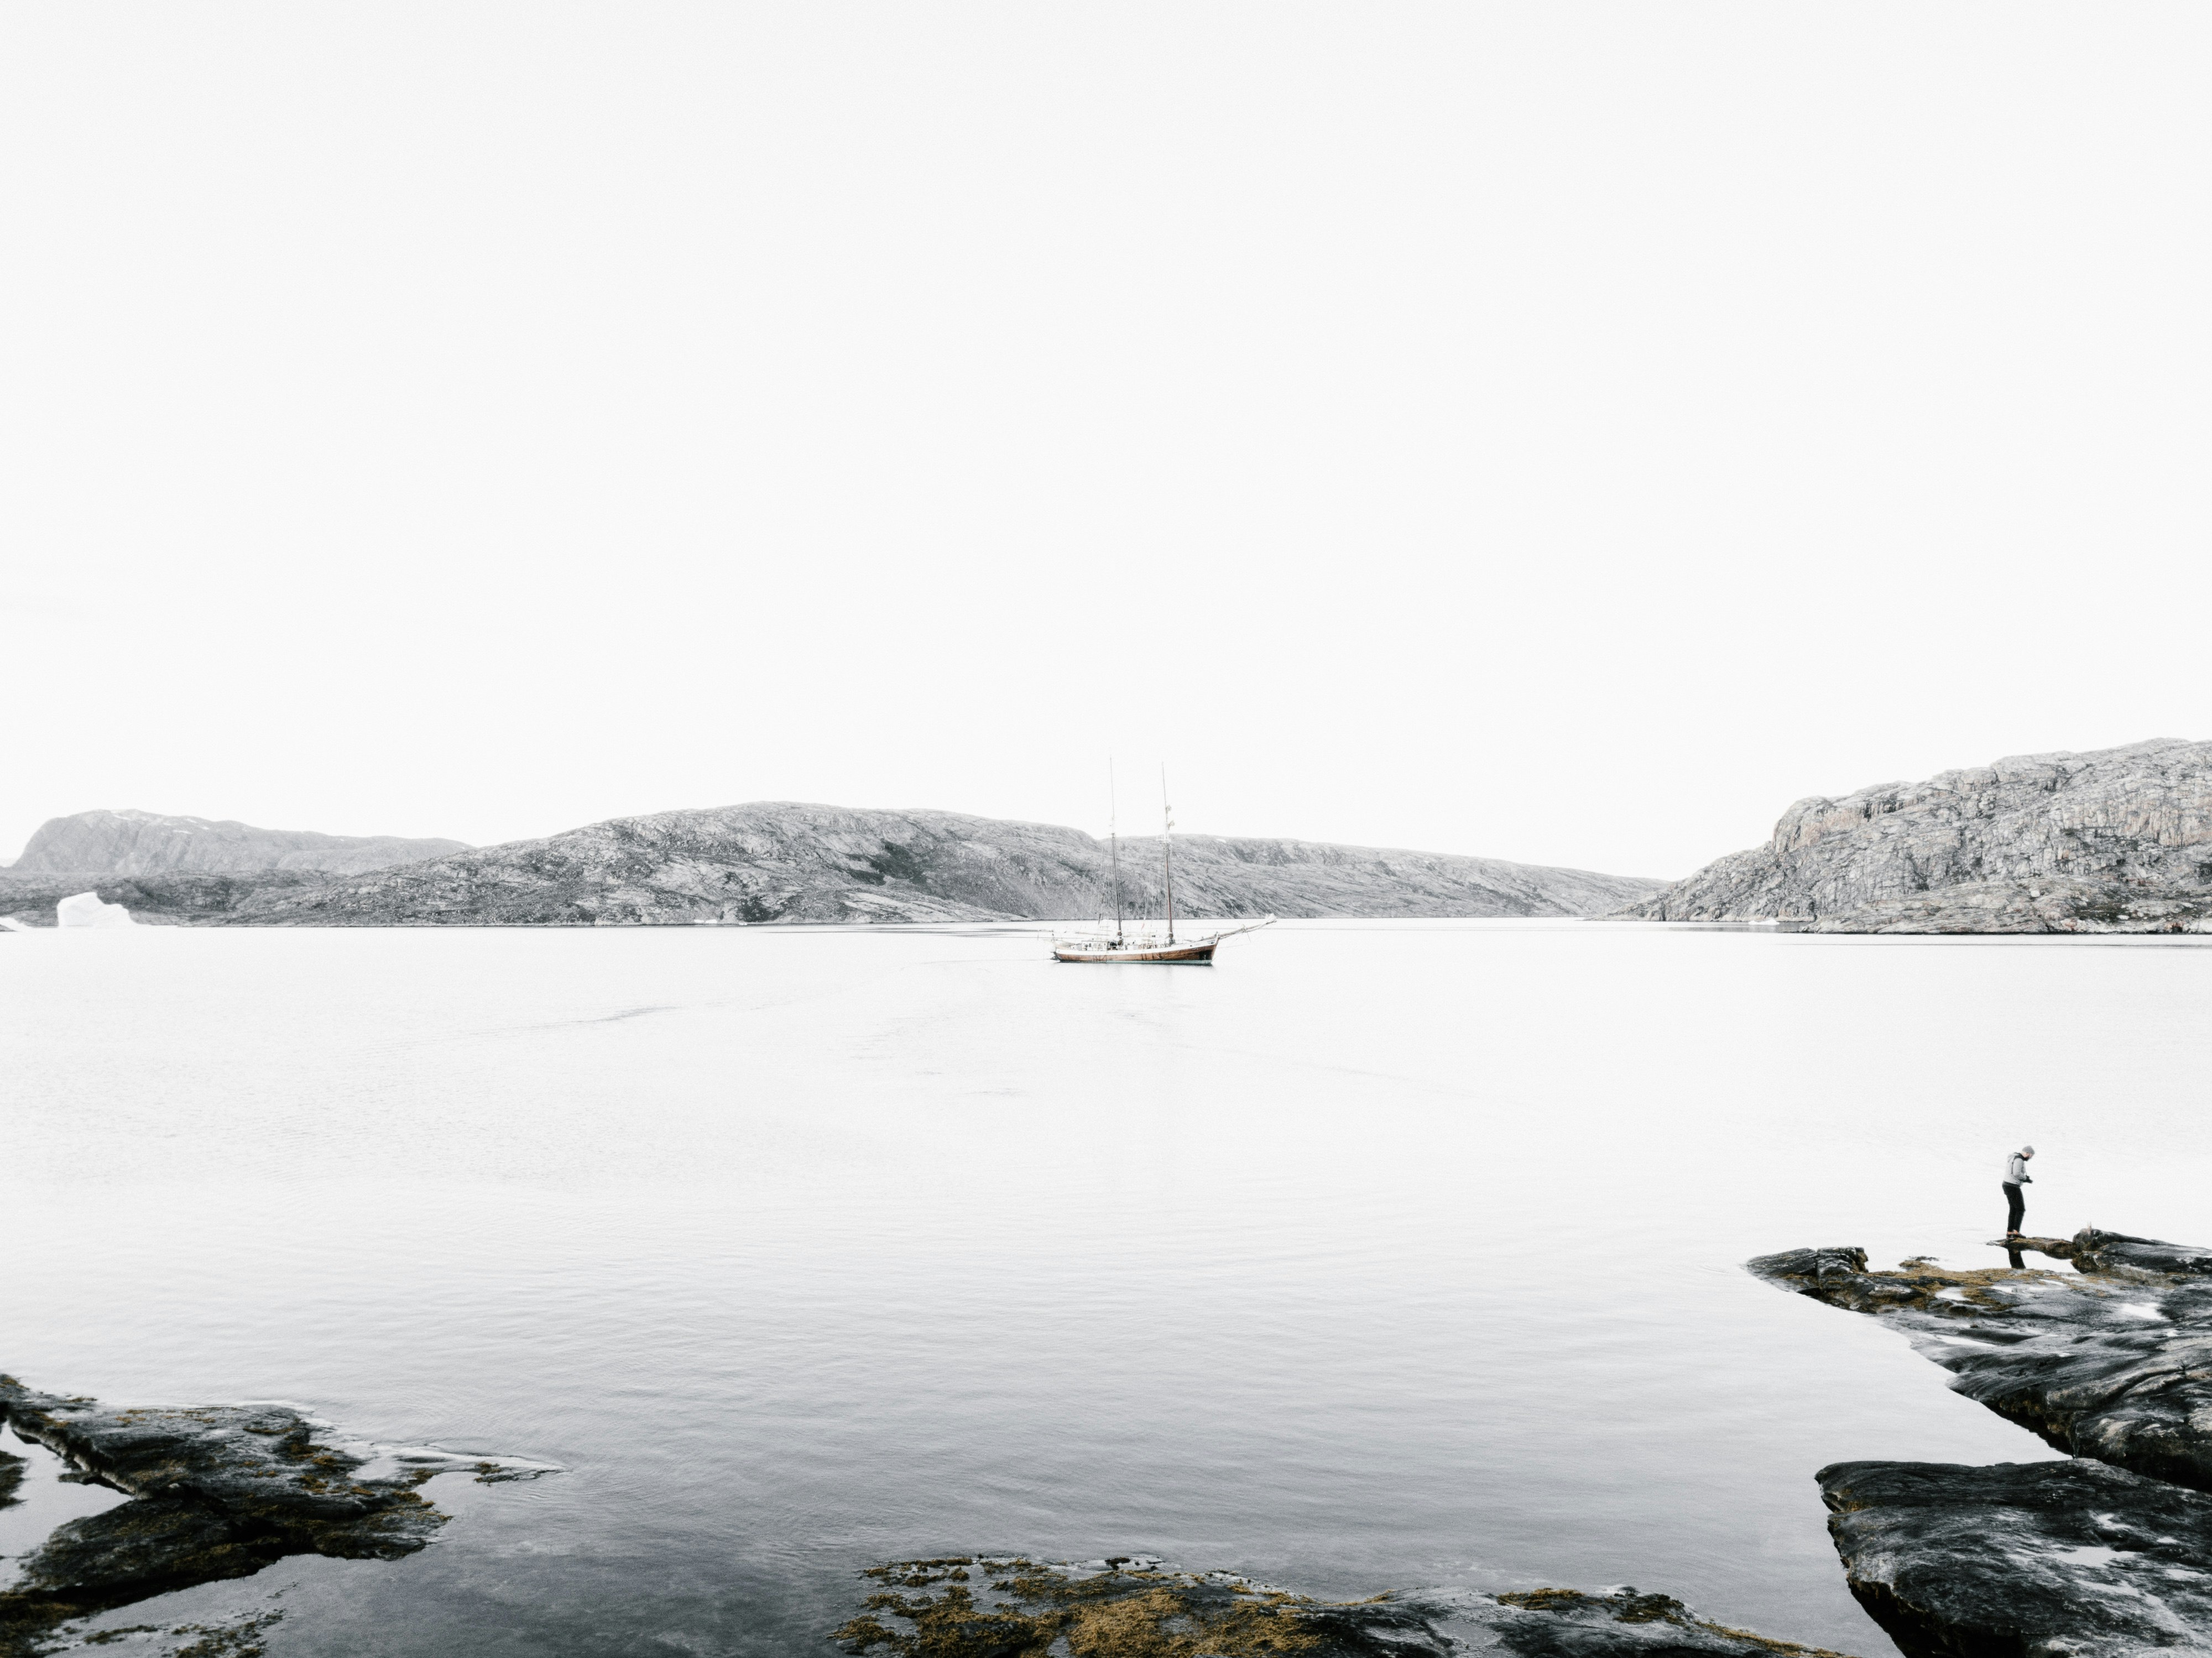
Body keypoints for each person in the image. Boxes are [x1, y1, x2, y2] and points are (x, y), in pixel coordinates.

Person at [2003, 1146, 2035, 1237]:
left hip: (2007, 1185)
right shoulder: (2019, 1160)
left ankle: (2010, 1232)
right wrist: (2025, 1179)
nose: (2031, 1158)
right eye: (2031, 1156)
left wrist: (2025, 1179)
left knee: (2014, 1209)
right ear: (2027, 1153)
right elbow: (2017, 1173)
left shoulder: (2014, 1157)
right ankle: (2016, 1232)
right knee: (2021, 1209)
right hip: (2012, 1187)